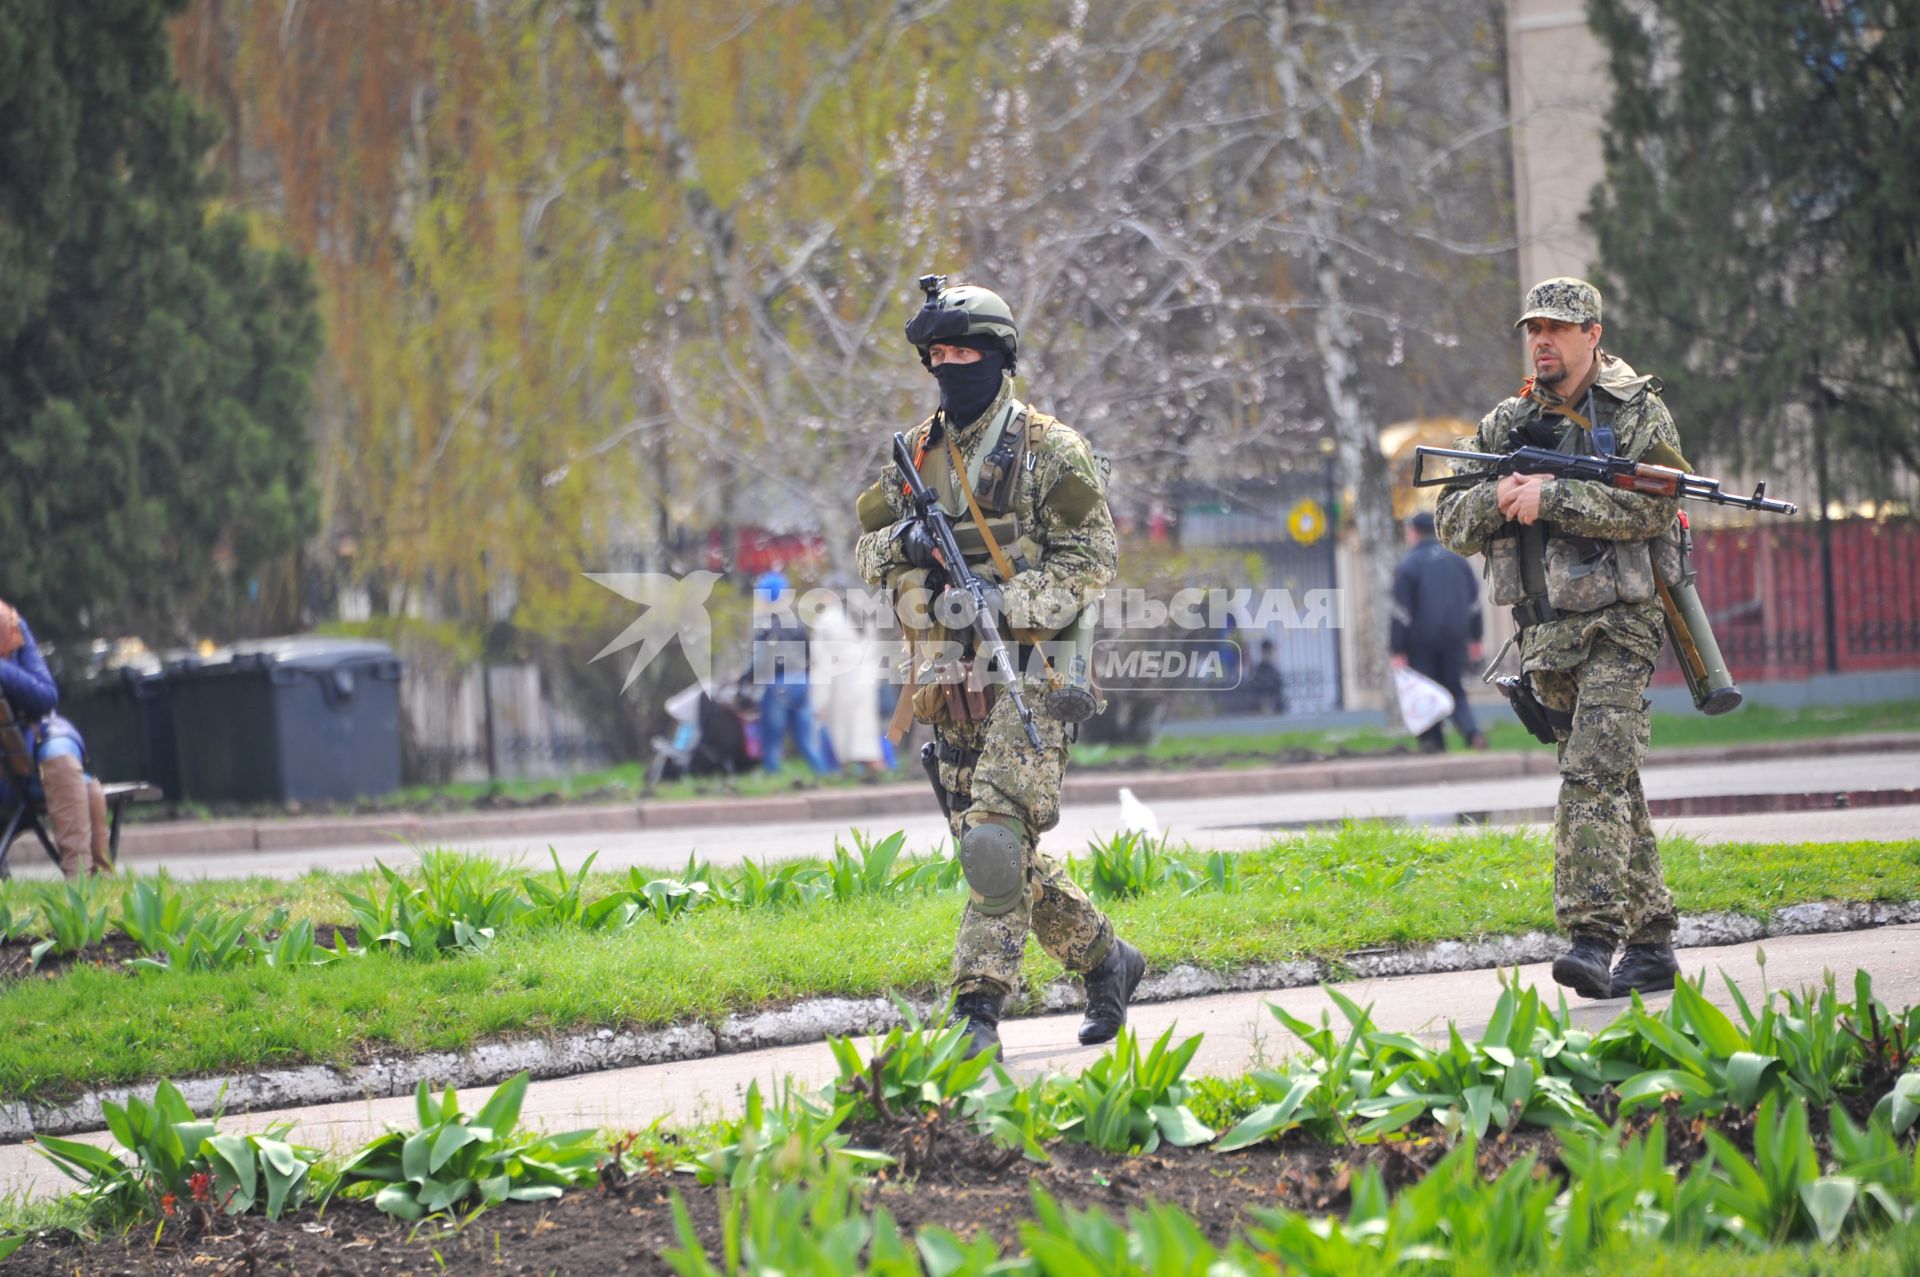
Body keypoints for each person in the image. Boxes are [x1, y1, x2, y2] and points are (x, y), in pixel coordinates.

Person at [853, 275, 1145, 1057]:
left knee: (992, 843)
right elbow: (865, 547)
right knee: (1001, 855)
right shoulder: (918, 452)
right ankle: (1108, 960)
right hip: (950, 678)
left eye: (964, 350)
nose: (950, 365)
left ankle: (975, 1011)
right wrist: (905, 546)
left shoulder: (1051, 448)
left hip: (1036, 673)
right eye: (937, 353)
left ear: (998, 354)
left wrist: (1009, 597)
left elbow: (1091, 558)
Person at [1435, 277, 1683, 1000]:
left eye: (1559, 328)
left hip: (1623, 623)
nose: (1542, 340)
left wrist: (1555, 495)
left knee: (1591, 774)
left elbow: (1657, 507)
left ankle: (1591, 933)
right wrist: (1499, 498)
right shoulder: (1506, 421)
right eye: (1533, 328)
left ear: (1592, 335)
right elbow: (1450, 517)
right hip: (1548, 635)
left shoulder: (1640, 412)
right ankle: (1654, 939)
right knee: (1613, 777)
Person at [0, 600, 112, 877]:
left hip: (33, 755)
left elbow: (44, 696)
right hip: (7, 780)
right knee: (86, 788)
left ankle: (81, 880)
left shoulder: (9, 624)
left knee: (60, 751)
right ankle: (91, 879)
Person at [1389, 511, 1486, 752]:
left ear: (1413, 532)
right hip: (1455, 638)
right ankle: (1472, 732)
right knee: (1455, 688)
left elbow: (1401, 612)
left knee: (1426, 691)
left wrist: (1397, 647)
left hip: (1421, 641)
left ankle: (1432, 742)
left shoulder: (1408, 565)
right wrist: (1476, 637)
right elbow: (1474, 604)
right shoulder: (1458, 562)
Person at [747, 570, 828, 775]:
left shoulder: (765, 626)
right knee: (806, 739)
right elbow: (809, 654)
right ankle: (823, 774)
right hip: (801, 681)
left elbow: (760, 662)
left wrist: (744, 680)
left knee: (772, 738)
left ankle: (772, 776)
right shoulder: (797, 623)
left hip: (778, 684)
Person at [808, 576, 886, 776]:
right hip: (864, 681)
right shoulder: (860, 616)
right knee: (864, 725)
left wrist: (819, 696)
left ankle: (842, 767)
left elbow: (821, 660)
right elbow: (875, 650)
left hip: (840, 683)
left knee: (840, 727)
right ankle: (871, 764)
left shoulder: (826, 620)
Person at [1245, 638, 1287, 715]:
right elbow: (1260, 690)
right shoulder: (1263, 669)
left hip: (1275, 705)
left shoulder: (1271, 668)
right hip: (1267, 707)